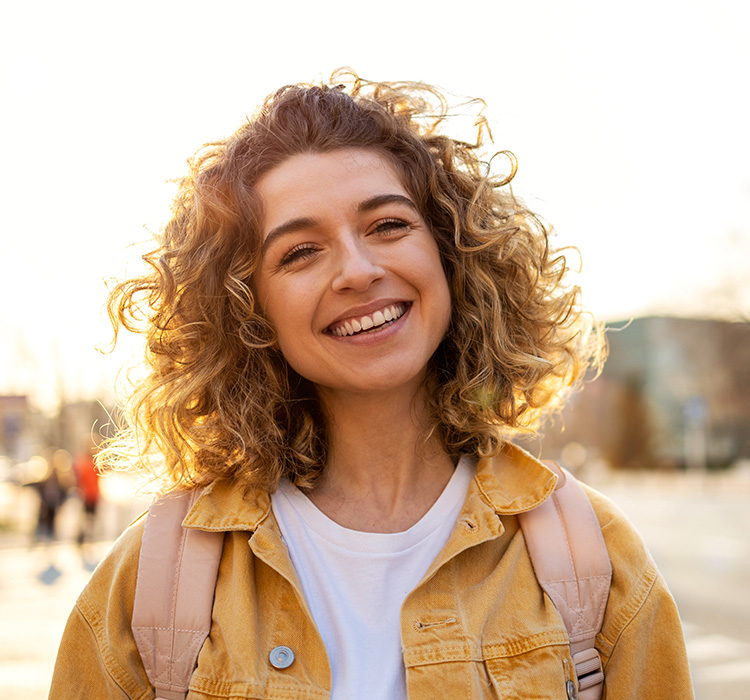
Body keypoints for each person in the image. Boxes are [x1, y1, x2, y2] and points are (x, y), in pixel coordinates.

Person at [49, 70, 694, 699]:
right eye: (300, 252)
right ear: (249, 312)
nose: (357, 271)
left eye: (388, 226)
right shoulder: (155, 582)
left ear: (451, 251)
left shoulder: (593, 561)